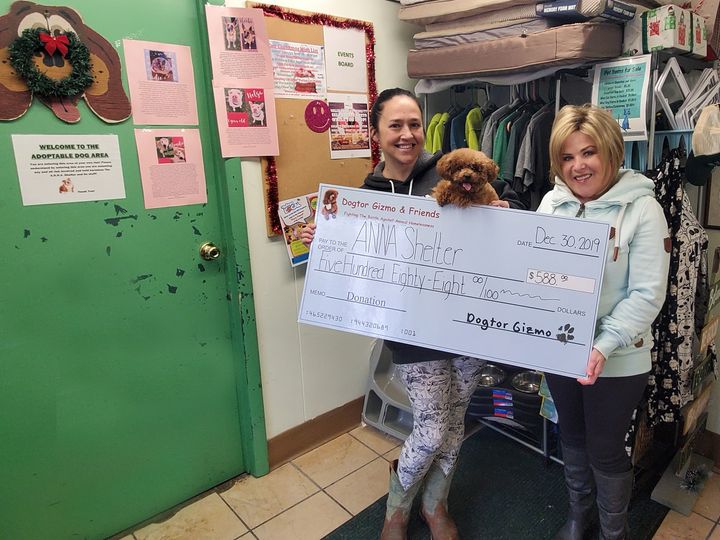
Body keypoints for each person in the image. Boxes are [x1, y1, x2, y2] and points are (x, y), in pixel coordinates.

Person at [302, 87, 524, 540]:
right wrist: (323, 238)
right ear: (377, 134)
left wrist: (505, 213)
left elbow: (506, 218)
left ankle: (435, 505)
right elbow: (359, 264)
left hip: (464, 323)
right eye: (396, 126)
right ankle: (396, 510)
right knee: (432, 424)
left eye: (414, 124)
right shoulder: (365, 195)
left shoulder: (452, 172)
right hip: (409, 329)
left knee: (456, 418)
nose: (407, 135)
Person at [537, 104, 670, 540]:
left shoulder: (643, 209)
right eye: (567, 157)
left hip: (619, 359)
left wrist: (603, 345)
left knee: (606, 448)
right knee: (571, 437)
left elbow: (647, 294)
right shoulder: (551, 204)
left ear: (611, 152)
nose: (578, 166)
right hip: (560, 349)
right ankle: (580, 517)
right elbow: (530, 270)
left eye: (588, 152)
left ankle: (615, 530)